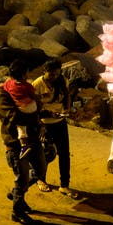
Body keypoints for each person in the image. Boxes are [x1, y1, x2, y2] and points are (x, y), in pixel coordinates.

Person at [0, 60, 48, 224]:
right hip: (15, 144)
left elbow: (34, 104)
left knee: (40, 170)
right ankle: (17, 211)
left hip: (33, 139)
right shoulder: (1, 95)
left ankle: (17, 193)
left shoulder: (20, 87)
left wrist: (38, 115)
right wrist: (34, 115)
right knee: (22, 177)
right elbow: (13, 116)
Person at [32, 59, 80, 198]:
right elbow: (34, 108)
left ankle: (64, 185)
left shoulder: (62, 80)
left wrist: (68, 109)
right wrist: (41, 122)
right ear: (44, 72)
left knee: (64, 154)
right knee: (44, 154)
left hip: (60, 122)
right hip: (44, 124)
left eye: (57, 74)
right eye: (51, 74)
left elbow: (67, 97)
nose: (54, 77)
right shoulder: (37, 85)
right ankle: (41, 179)